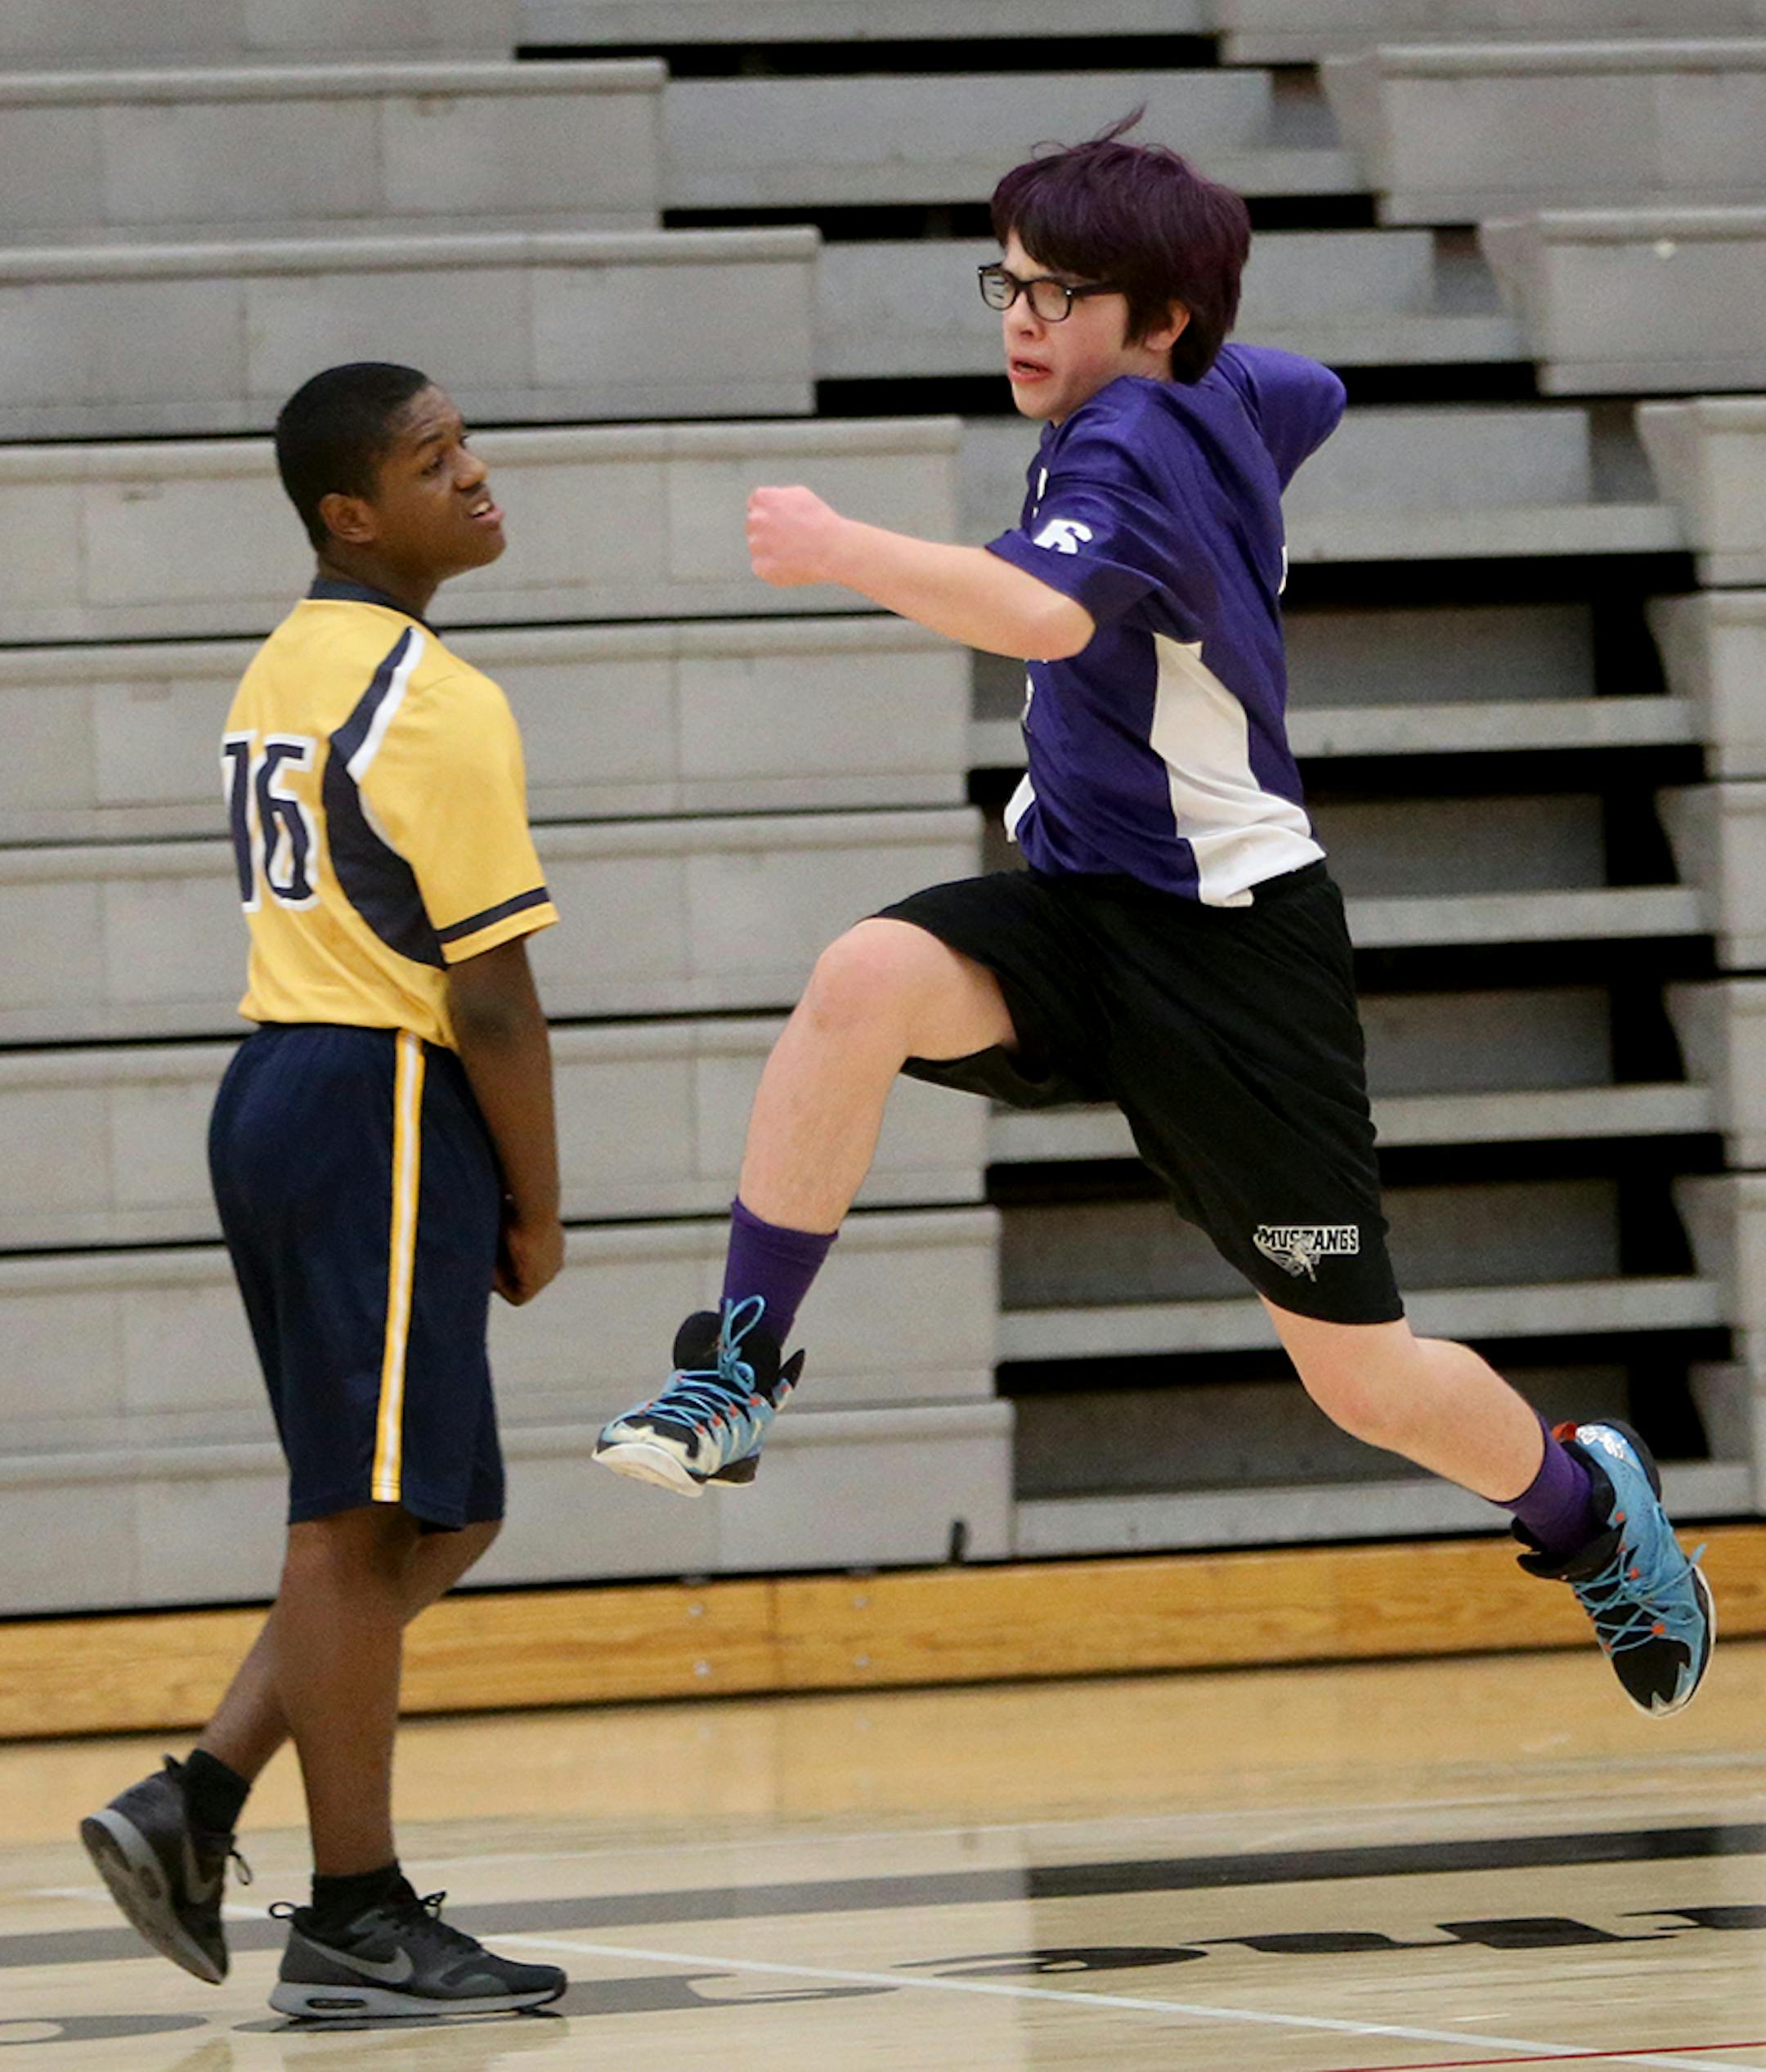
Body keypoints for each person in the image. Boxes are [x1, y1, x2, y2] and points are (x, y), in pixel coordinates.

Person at [594, 121, 1715, 1718]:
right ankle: (739, 1366)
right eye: (1014, 282)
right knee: (866, 975)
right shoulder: (1223, 394)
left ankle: (1587, 1506)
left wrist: (842, 549)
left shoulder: (1133, 452)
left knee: (1365, 1381)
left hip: (1236, 957)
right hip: (1081, 905)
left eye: (1066, 293)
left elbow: (1041, 610)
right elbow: (1303, 393)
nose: (1022, 319)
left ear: (1160, 319)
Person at [81, 363, 569, 2019]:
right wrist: (545, 1204)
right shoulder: (432, 691)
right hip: (377, 1089)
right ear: (352, 512)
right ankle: (353, 1912)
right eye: (439, 462)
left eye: (468, 446)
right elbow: (492, 992)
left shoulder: (284, 664)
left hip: (285, 1089)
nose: (477, 475)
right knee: (360, 1522)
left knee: (440, 1506)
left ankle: (202, 1795)